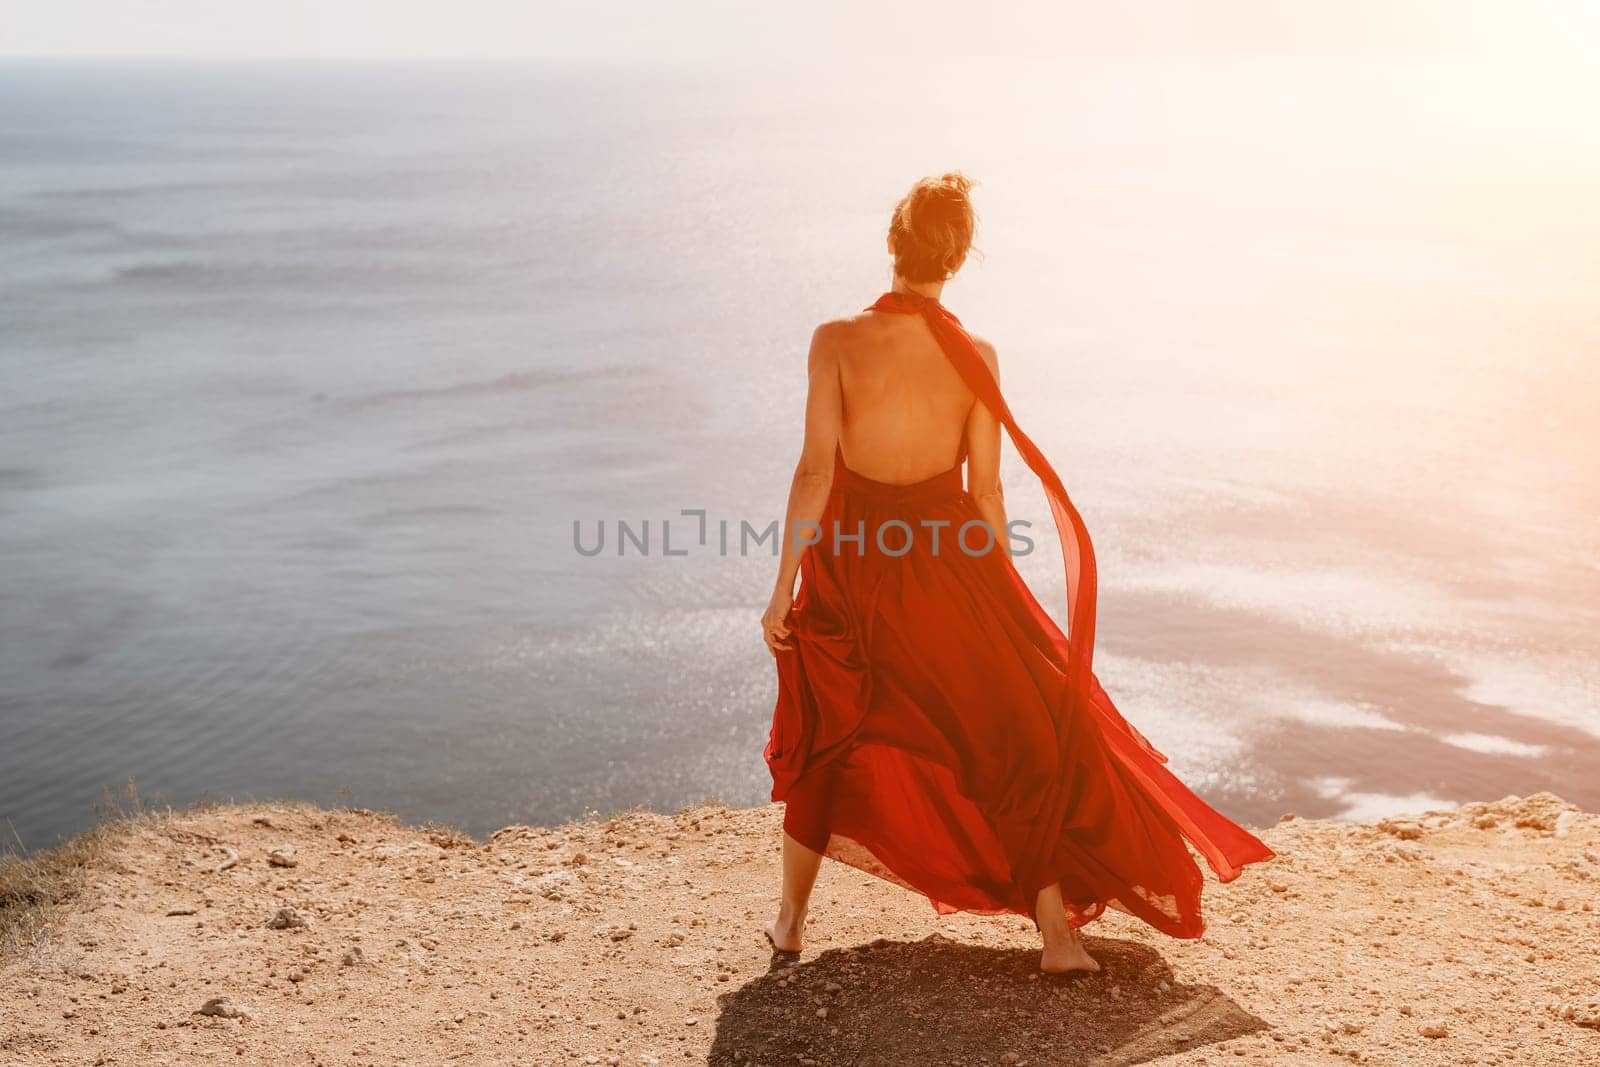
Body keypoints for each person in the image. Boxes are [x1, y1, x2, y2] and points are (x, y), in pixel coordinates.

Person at [759, 172, 1275, 973]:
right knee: (1008, 737)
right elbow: (987, 489)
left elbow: (813, 476)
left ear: (892, 243)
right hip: (948, 567)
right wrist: (992, 590)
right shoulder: (976, 357)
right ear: (958, 257)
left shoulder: (834, 341)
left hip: (853, 568)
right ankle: (1057, 936)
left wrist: (781, 587)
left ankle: (790, 923)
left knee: (828, 733)